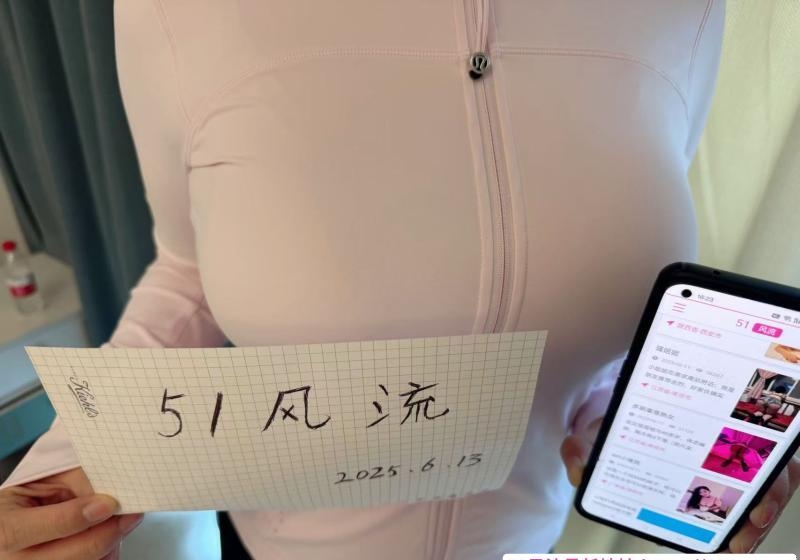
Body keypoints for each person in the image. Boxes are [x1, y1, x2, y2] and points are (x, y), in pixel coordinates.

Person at [1, 1, 798, 559]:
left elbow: (600, 302)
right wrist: (52, 481)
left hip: (529, 543)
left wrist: (634, 423)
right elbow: (187, 277)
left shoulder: (686, 9)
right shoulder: (178, 10)